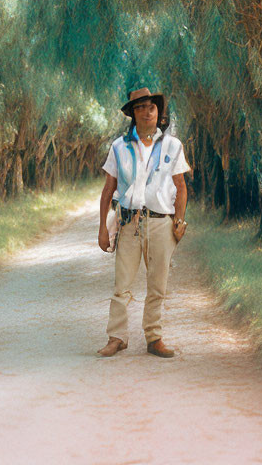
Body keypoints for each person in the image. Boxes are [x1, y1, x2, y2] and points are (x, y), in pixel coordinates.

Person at [97, 87, 190, 358]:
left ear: (158, 113)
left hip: (161, 223)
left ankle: (154, 337)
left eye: (151, 107)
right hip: (129, 224)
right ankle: (117, 337)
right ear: (133, 114)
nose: (147, 112)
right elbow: (108, 190)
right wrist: (103, 228)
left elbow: (181, 187)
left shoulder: (173, 146)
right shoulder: (119, 147)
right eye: (140, 108)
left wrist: (179, 220)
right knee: (121, 285)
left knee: (157, 284)